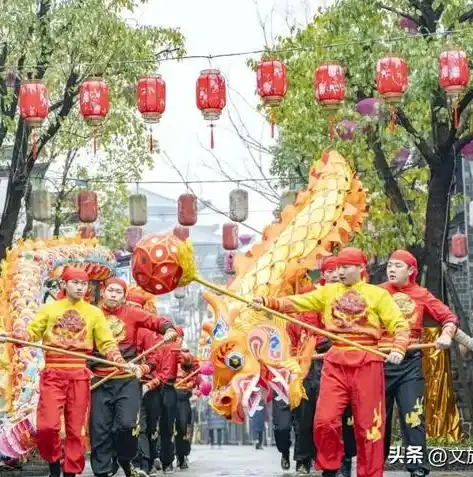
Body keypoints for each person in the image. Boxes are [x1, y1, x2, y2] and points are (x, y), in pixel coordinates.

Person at [251, 247, 410, 477]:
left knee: (369, 426)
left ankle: (370, 473)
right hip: (335, 363)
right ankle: (329, 466)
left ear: (361, 268)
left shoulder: (378, 295)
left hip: (368, 363)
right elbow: (297, 302)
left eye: (346, 267)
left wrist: (398, 347)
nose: (341, 272)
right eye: (338, 268)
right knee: (324, 420)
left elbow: (399, 325)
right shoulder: (328, 292)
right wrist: (268, 302)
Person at [5, 267, 130, 477]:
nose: (81, 287)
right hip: (53, 373)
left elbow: (107, 343)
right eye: (76, 283)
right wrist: (15, 336)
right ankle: (54, 462)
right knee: (47, 426)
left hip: (79, 374)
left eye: (84, 284)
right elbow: (31, 333)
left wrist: (118, 360)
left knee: (75, 429)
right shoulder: (49, 310)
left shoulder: (94, 313)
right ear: (64, 284)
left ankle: (70, 471)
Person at [380, 249, 458, 477]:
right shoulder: (377, 293)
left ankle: (418, 470)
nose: (391, 269)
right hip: (379, 362)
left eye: (398, 266)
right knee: (376, 420)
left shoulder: (421, 294)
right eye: (389, 265)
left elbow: (449, 317)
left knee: (413, 417)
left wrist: (446, 335)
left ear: (411, 270)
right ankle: (375, 467)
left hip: (409, 365)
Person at [89, 278, 177, 477]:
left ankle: (125, 458)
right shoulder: (92, 313)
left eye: (118, 292)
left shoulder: (132, 313)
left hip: (126, 379)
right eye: (110, 290)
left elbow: (156, 321)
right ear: (103, 292)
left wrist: (168, 329)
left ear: (124, 296)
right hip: (98, 380)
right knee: (99, 429)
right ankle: (101, 472)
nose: (113, 295)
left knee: (127, 426)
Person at [287, 256, 356, 476]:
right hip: (316, 360)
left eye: (342, 268)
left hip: (348, 358)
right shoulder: (313, 294)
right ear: (324, 274)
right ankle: (304, 457)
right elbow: (307, 328)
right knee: (310, 413)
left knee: (346, 414)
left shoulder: (356, 293)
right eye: (333, 270)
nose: (338, 273)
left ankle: (344, 457)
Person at [174, 335, 200, 470]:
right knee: (163, 427)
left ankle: (182, 455)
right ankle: (161, 458)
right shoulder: (164, 350)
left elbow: (196, 373)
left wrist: (191, 383)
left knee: (183, 426)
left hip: (183, 397)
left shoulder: (188, 356)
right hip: (166, 393)